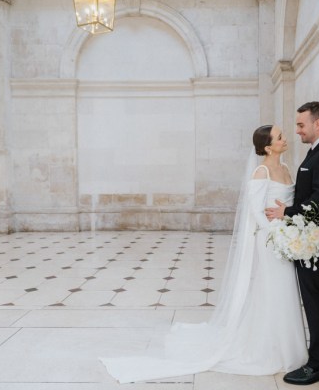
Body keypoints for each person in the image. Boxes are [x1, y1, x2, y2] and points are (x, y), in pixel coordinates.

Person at [99, 125, 307, 383]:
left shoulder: (286, 168)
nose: (285, 138)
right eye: (279, 137)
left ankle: (288, 345)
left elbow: (289, 203)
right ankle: (271, 347)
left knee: (286, 290)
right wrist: (278, 235)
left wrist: (292, 230)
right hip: (270, 241)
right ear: (267, 147)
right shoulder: (260, 172)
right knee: (274, 290)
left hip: (287, 238)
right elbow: (255, 212)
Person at [265, 101, 319, 385]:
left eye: (301, 125)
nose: (297, 131)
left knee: (315, 301)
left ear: (318, 124)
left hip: (315, 242)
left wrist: (287, 212)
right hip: (314, 240)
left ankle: (317, 365)